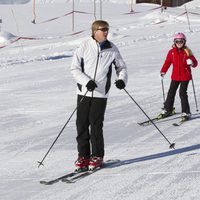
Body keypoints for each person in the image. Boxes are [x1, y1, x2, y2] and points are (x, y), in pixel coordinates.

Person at [70, 20, 128, 171]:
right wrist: (86, 81)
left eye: (107, 29)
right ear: (95, 31)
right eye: (103, 29)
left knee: (95, 125)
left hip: (101, 93)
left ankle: (97, 156)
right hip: (84, 91)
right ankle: (83, 156)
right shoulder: (84, 46)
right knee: (81, 124)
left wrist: (121, 80)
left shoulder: (112, 48)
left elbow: (121, 67)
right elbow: (74, 68)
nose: (106, 32)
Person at [158, 32, 198, 121]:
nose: (179, 43)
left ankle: (186, 112)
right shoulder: (171, 52)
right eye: (177, 41)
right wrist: (163, 71)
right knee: (171, 93)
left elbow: (195, 63)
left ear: (184, 42)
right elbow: (167, 62)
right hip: (175, 76)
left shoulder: (187, 52)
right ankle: (168, 109)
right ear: (174, 42)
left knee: (182, 93)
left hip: (185, 77)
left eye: (181, 41)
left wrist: (191, 62)